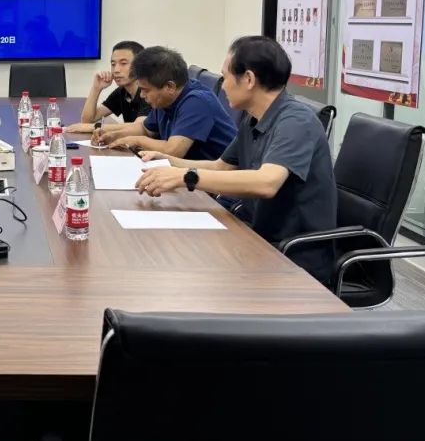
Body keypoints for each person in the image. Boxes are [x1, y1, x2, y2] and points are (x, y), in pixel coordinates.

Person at [135, 36, 337, 283]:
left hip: (293, 258)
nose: (223, 86)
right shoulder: (254, 118)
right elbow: (222, 166)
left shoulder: (296, 121)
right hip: (256, 238)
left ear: (248, 79)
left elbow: (267, 182)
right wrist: (168, 160)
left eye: (226, 76)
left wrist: (187, 177)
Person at [101, 45, 237, 161]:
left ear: (170, 87)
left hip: (218, 179)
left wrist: (136, 140)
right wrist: (115, 135)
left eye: (145, 90)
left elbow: (173, 151)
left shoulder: (197, 101)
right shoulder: (164, 99)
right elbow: (146, 129)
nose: (142, 95)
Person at [64, 40, 149, 139]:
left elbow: (139, 127)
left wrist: (95, 127)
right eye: (113, 64)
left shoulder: (148, 92)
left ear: (140, 66)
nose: (116, 70)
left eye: (123, 63)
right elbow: (87, 120)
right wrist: (96, 88)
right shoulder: (122, 91)